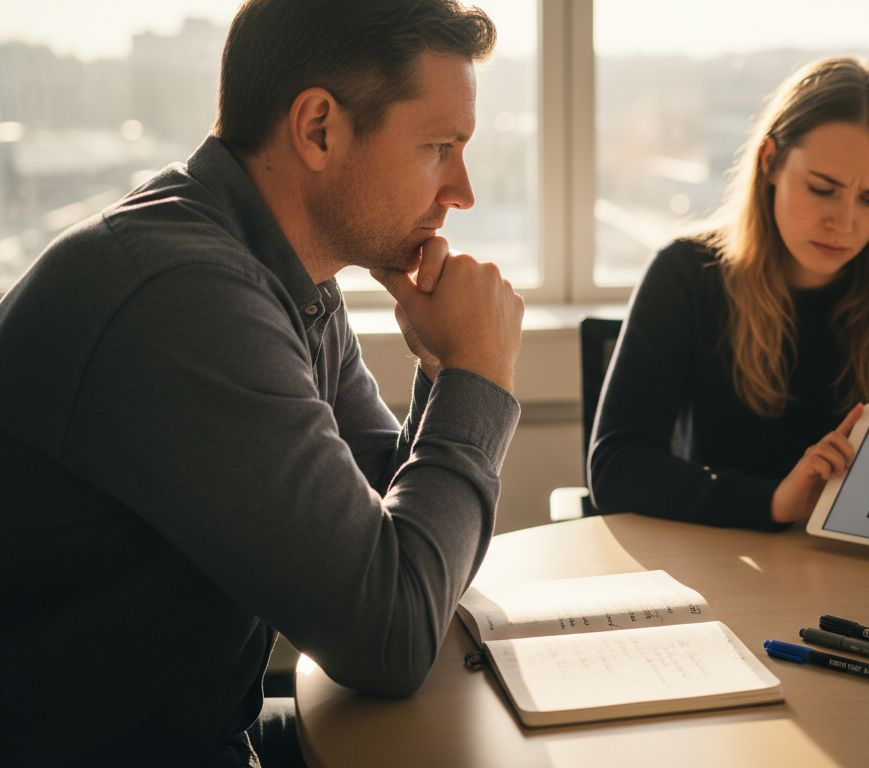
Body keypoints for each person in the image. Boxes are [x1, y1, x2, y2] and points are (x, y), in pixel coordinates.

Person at [0, 1, 522, 765]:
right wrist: (479, 377)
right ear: (318, 129)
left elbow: (402, 538)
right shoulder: (180, 298)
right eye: (439, 146)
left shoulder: (283, 271)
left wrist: (449, 370)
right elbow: (393, 633)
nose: (462, 191)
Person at [588, 56, 869, 581]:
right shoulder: (687, 274)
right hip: (728, 575)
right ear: (770, 162)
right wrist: (774, 501)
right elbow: (617, 467)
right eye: (822, 188)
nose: (845, 222)